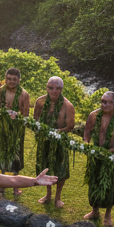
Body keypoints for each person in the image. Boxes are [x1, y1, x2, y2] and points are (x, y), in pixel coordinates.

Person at [82, 91, 114, 227]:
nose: (105, 104)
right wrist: (87, 145)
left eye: (108, 102)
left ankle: (108, 215)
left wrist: (108, 152)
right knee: (94, 182)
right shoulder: (93, 115)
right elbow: (87, 133)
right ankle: (94, 211)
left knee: (111, 185)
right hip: (95, 155)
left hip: (112, 158)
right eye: (103, 101)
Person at [32, 76, 75, 209]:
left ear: (61, 89)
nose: (53, 91)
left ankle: (58, 197)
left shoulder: (68, 106)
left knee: (60, 169)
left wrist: (56, 132)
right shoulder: (40, 101)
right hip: (44, 141)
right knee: (46, 166)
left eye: (57, 88)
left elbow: (70, 126)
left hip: (60, 142)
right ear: (47, 88)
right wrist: (41, 130)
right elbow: (35, 119)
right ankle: (48, 194)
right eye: (51, 88)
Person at [0, 67, 30, 199]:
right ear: (5, 78)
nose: (11, 81)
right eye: (9, 79)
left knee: (16, 157)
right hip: (3, 130)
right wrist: (4, 112)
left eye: (14, 79)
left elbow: (26, 115)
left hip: (17, 131)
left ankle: (15, 187)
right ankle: (1, 185)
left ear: (19, 80)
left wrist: (17, 115)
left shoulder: (24, 94)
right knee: (2, 154)